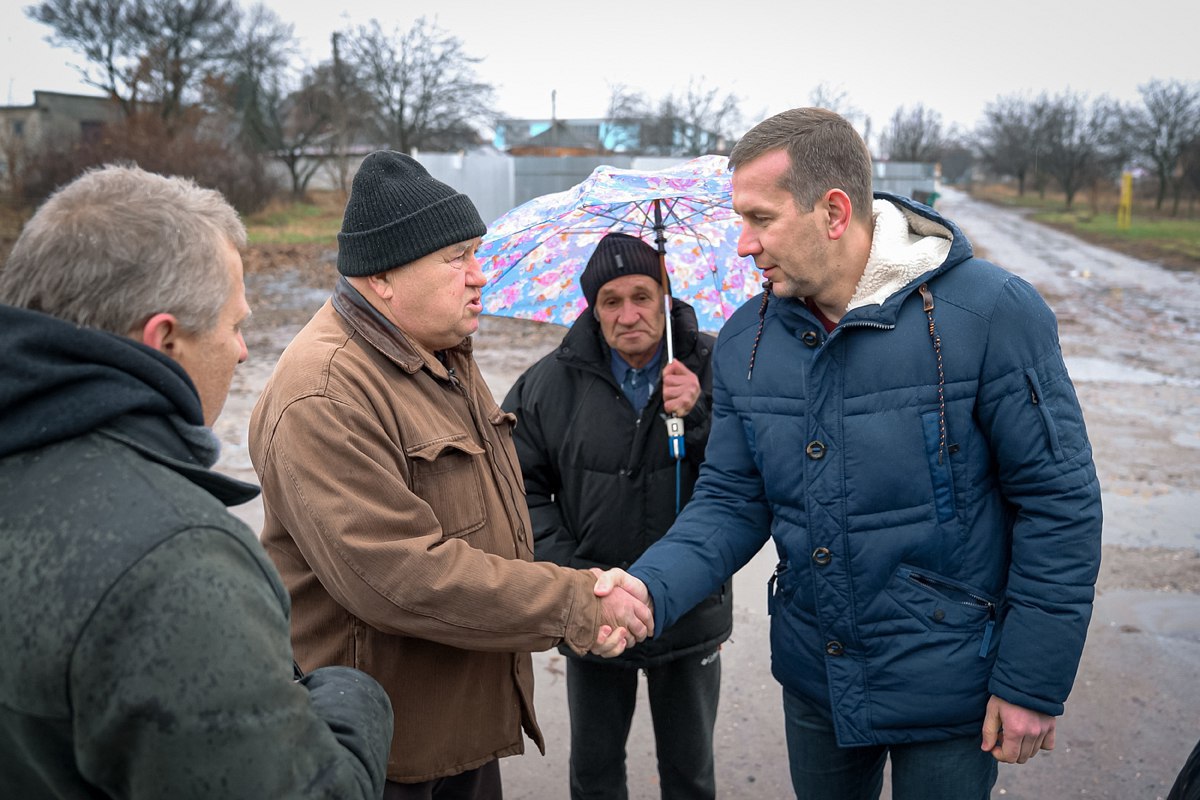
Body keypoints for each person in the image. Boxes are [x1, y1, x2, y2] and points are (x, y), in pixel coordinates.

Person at [598, 107, 1104, 800]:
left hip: (952, 684)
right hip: (818, 677)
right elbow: (731, 500)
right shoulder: (748, 337)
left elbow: (1059, 504)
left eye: (761, 218)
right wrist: (649, 587)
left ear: (834, 211)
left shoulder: (993, 314)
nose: (743, 245)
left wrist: (1031, 682)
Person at [247, 150, 653, 800]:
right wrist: (572, 600)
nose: (478, 274)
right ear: (382, 276)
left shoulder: (435, 351)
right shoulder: (324, 394)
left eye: (475, 252)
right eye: (456, 257)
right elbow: (401, 577)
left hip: (454, 727)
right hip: (388, 750)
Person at [0, 164, 394, 798]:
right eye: (236, 326)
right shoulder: (175, 560)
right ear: (164, 340)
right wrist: (352, 699)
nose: (242, 351)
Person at [503, 232, 732, 800]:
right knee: (595, 770)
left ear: (665, 297)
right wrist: (576, 577)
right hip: (594, 607)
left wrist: (701, 412)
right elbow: (515, 491)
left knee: (690, 771)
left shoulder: (717, 366)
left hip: (690, 606)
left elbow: (754, 474)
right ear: (592, 309)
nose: (629, 314)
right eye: (611, 300)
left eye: (642, 296)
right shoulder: (546, 385)